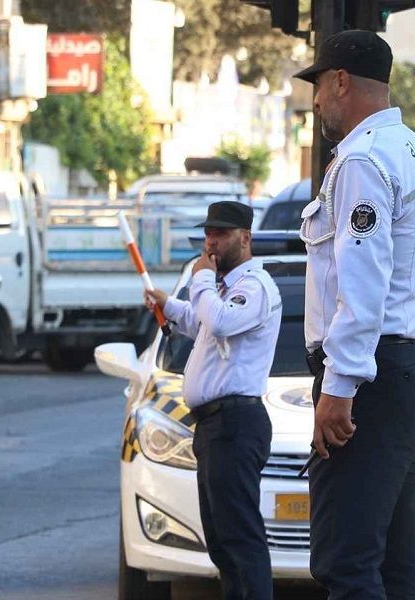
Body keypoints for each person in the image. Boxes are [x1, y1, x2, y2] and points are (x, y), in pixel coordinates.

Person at [294, 30, 415, 598]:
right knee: (397, 565)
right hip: (410, 367)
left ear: (340, 81)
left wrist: (339, 386)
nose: (315, 103)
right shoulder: (411, 147)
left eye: (317, 87)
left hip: (372, 379)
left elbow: (363, 286)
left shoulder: (361, 160)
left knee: (347, 563)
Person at [144, 201, 282, 600]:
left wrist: (200, 278)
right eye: (208, 234)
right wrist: (169, 306)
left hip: (235, 423)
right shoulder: (223, 289)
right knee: (222, 542)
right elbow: (204, 322)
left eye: (221, 234)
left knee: (239, 538)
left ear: (245, 237)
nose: (211, 243)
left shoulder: (254, 286)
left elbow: (220, 321)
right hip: (215, 426)